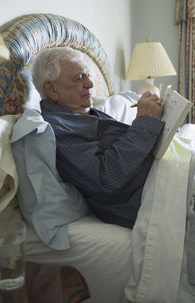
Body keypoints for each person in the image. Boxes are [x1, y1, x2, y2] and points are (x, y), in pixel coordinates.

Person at [31, 47, 165, 228]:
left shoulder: (87, 113)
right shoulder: (58, 129)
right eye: (79, 77)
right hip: (151, 196)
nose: (90, 84)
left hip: (164, 178)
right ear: (52, 89)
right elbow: (105, 178)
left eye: (87, 75)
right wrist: (144, 123)